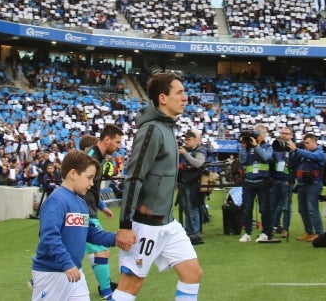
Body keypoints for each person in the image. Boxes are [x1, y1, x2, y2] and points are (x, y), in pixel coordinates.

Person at [114, 72, 203, 301]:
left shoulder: (168, 128)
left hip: (167, 222)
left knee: (192, 274)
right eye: (180, 92)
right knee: (130, 285)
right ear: (163, 98)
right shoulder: (151, 129)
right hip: (145, 225)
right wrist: (125, 225)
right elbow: (134, 178)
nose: (185, 98)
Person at [30, 150, 134, 301]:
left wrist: (116, 238)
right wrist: (66, 264)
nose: (92, 184)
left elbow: (90, 233)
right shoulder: (56, 201)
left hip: (74, 272)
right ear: (73, 173)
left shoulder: (81, 202)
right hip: (51, 273)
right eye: (89, 177)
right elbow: (49, 237)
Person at [83, 124, 124, 300]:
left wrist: (101, 205)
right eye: (117, 142)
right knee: (101, 250)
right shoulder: (91, 157)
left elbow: (92, 187)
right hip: (84, 212)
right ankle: (107, 294)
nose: (119, 146)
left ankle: (105, 289)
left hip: (88, 209)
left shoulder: (97, 158)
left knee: (76, 250)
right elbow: (79, 184)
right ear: (106, 139)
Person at [237, 124, 275, 243]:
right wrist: (243, 147)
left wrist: (256, 145)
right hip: (249, 181)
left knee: (264, 209)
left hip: (262, 181)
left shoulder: (268, 147)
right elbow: (242, 161)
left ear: (263, 134)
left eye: (258, 132)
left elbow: (267, 157)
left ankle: (265, 232)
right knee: (247, 209)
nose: (256, 134)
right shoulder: (247, 148)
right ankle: (247, 233)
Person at [289, 133, 326, 242]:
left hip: (314, 184)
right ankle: (309, 231)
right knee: (302, 210)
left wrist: (297, 150)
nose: (306, 145)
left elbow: (314, 157)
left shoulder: (321, 153)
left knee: (312, 209)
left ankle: (319, 232)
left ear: (314, 142)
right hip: (302, 184)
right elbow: (294, 163)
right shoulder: (303, 153)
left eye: (308, 143)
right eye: (304, 143)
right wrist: (294, 152)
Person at [177, 130, 206, 245]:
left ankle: (195, 233)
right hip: (184, 182)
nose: (186, 142)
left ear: (195, 140)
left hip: (194, 183)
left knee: (192, 208)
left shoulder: (200, 150)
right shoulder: (185, 150)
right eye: (186, 139)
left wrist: (185, 154)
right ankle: (189, 232)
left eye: (189, 139)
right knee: (186, 208)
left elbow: (198, 163)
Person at [270, 127, 295, 239]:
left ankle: (285, 228)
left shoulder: (293, 149)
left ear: (291, 136)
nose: (284, 135)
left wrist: (290, 179)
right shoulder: (276, 147)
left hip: (286, 181)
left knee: (286, 206)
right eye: (282, 133)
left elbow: (296, 166)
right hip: (276, 180)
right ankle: (273, 227)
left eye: (286, 133)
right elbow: (271, 163)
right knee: (273, 205)